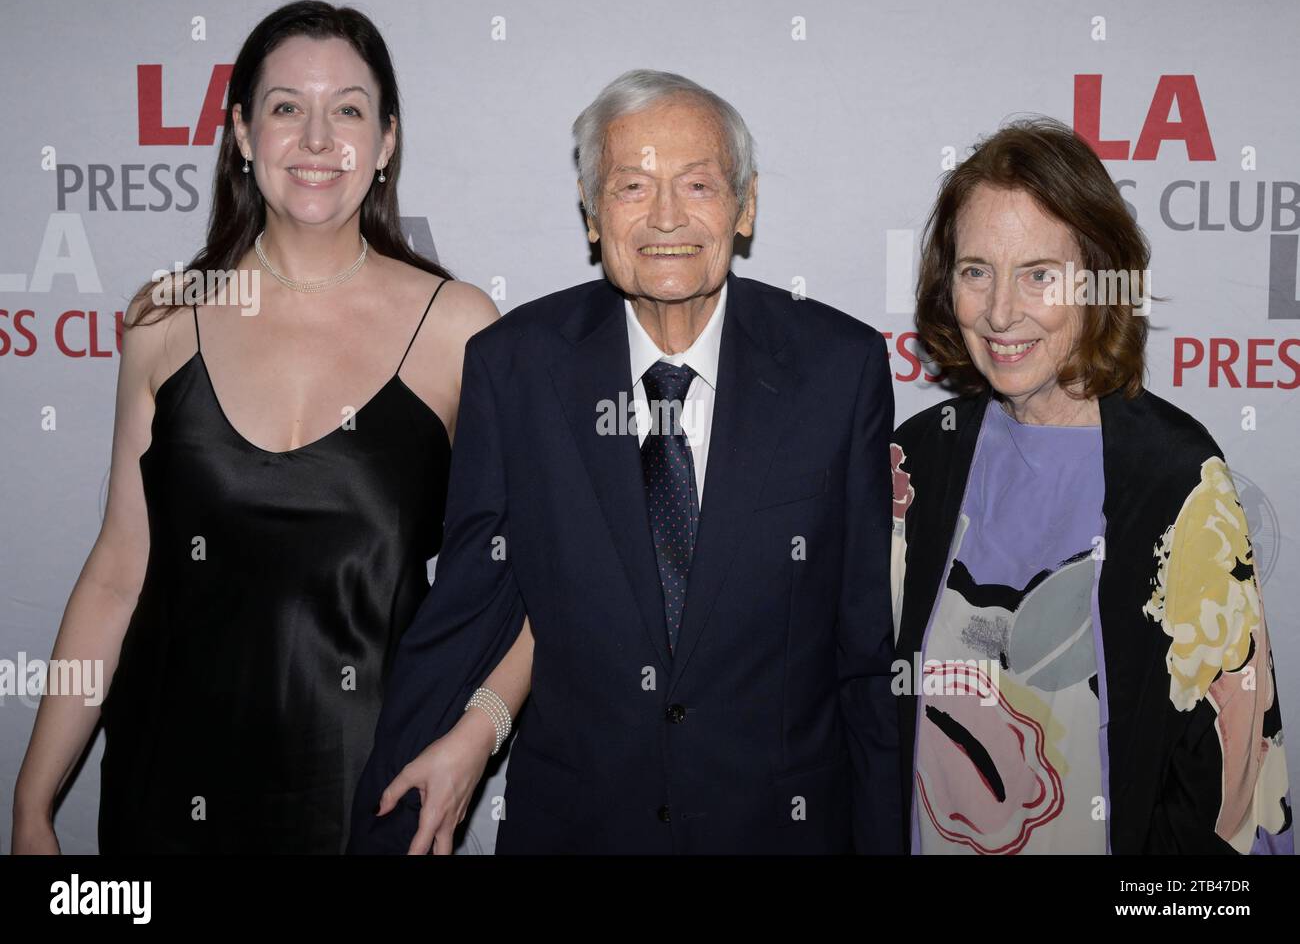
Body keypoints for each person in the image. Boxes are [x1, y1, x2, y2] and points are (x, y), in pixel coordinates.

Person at [11, 0, 531, 854]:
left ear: (387, 141)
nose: (319, 139)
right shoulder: (164, 320)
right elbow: (116, 572)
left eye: (349, 110)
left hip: (372, 787)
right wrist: (33, 804)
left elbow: (538, 573)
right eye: (288, 107)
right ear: (244, 135)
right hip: (164, 784)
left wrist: (478, 735)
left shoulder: (459, 328)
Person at [350, 68, 902, 855]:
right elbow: (477, 601)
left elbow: (864, 653)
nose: (666, 217)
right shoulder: (516, 368)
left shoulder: (837, 368)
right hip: (574, 829)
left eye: (699, 185)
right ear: (590, 214)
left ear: (745, 208)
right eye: (632, 186)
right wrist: (439, 754)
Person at [891, 117, 1292, 854]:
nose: (1002, 310)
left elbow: (1229, 779)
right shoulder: (916, 462)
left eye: (1039, 274)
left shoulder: (1178, 476)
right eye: (977, 270)